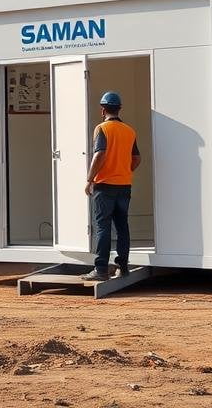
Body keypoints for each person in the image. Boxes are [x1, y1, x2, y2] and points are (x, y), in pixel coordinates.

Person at [81, 91, 140, 281]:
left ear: (103, 109)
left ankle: (100, 270)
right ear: (119, 108)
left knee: (103, 227)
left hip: (104, 185)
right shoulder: (129, 131)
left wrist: (90, 179)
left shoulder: (102, 129)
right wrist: (124, 169)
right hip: (124, 185)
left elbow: (99, 154)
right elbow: (137, 158)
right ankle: (123, 267)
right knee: (122, 226)